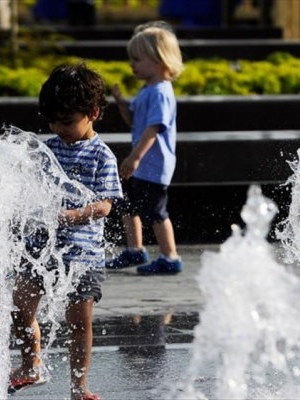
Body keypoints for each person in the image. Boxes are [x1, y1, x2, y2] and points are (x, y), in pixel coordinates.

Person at [0, 63, 123, 400]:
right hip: (41, 249)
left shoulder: (101, 156)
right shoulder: (46, 149)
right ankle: (31, 363)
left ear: (92, 113)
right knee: (20, 304)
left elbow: (106, 205)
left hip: (82, 255)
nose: (58, 128)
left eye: (66, 121)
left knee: (79, 323)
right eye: (52, 121)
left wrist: (71, 215)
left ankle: (79, 387)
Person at [106, 21, 184, 275]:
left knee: (156, 211)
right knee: (126, 203)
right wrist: (121, 105)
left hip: (153, 165)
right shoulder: (147, 90)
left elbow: (154, 128)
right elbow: (134, 122)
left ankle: (170, 256)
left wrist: (135, 157)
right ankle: (134, 249)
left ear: (159, 60)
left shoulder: (161, 92)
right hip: (141, 164)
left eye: (137, 59)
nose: (132, 65)